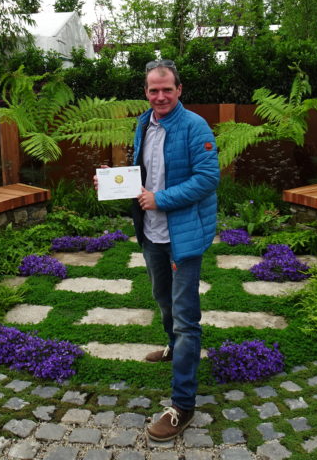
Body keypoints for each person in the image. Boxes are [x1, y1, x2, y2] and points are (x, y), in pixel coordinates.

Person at [96, 59, 219, 442]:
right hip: (152, 234)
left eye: (167, 89)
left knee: (185, 318)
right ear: (146, 92)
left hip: (183, 236)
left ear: (179, 89)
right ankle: (172, 348)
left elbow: (208, 177)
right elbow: (144, 176)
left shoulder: (195, 126)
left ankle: (182, 406)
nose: (160, 96)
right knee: (163, 301)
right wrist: (114, 182)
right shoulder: (143, 124)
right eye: (153, 90)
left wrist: (161, 199)